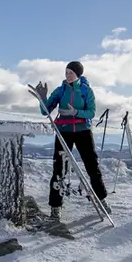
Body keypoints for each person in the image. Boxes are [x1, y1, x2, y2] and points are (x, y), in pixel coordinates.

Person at [33, 61, 110, 221]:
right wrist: (42, 98)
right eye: (66, 72)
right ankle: (56, 206)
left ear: (78, 75)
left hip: (83, 131)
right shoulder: (60, 90)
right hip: (64, 131)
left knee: (92, 166)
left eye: (71, 73)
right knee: (59, 168)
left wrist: (76, 112)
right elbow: (45, 111)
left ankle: (101, 198)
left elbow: (91, 112)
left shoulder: (86, 90)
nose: (68, 75)